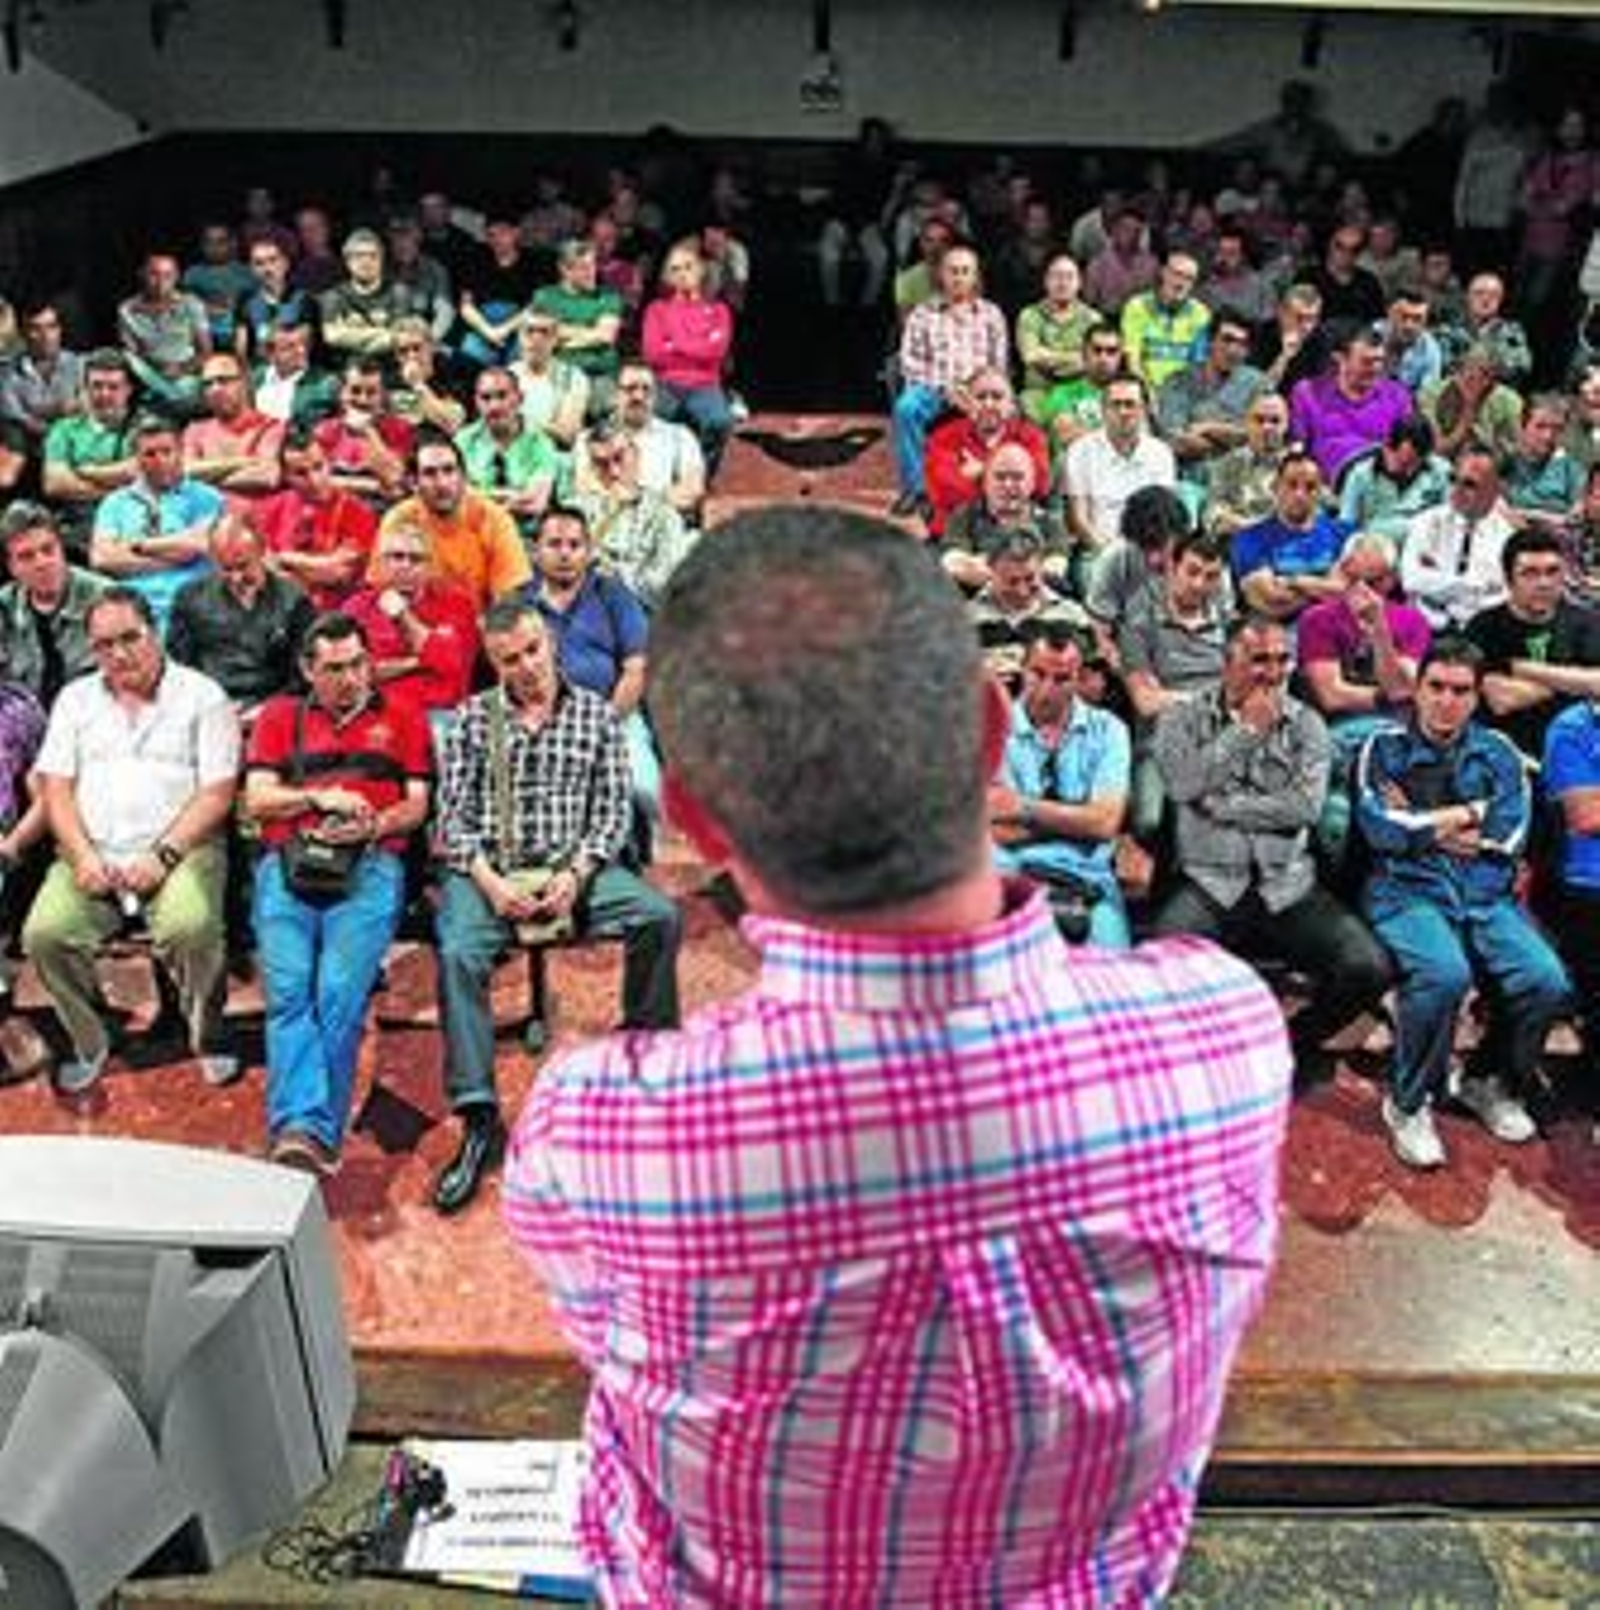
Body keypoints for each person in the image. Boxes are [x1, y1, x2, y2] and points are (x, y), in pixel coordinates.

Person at [502, 505, 1291, 1605]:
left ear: (696, 817)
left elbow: (609, 1350)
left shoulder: (598, 1127)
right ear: (988, 728)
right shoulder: (1225, 1030)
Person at [433, 598, 683, 1215]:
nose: (525, 667)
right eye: (508, 660)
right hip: (492, 871)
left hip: (572, 868)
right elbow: (452, 821)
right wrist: (492, 884)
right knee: (459, 952)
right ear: (493, 664)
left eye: (532, 651)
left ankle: (644, 1055)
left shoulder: (596, 715)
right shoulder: (472, 720)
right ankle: (479, 1116)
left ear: (550, 642)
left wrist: (577, 872)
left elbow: (611, 815)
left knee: (659, 916)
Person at [1355, 637, 1571, 1169]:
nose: (1446, 701)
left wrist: (1423, 823)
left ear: (1476, 697)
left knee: (1545, 979)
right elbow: (1381, 829)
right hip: (1405, 889)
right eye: (1436, 687)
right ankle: (1408, 1102)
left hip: (1485, 893)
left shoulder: (1499, 752)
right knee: (1444, 974)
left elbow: (1507, 835)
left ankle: (1486, 1080)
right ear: (1417, 689)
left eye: (1460, 691)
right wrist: (1470, 811)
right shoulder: (1381, 747)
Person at [1152, 613, 1393, 1076]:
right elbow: (1183, 784)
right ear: (1227, 661)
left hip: (1287, 885)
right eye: (1260, 659)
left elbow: (1303, 808)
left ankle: (1289, 1045)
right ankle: (1196, 1063)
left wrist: (1221, 806)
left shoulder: (1308, 725)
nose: (1275, 671)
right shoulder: (1181, 718)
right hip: (1210, 881)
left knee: (1368, 968)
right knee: (1161, 965)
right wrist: (1244, 734)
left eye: (1283, 660)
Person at [24, 588, 240, 1093]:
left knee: (190, 927)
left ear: (155, 632)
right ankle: (94, 1039)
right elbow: (56, 788)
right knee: (45, 934)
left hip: (182, 849)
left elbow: (217, 793)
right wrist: (82, 856)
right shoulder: (75, 699)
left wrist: (162, 856)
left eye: (130, 638)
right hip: (92, 850)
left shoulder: (203, 695)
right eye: (104, 645)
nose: (119, 654)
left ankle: (207, 1034)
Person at [242, 612, 432, 1176]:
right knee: (288, 991)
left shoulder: (404, 714)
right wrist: (319, 798)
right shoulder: (280, 716)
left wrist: (373, 825)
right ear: (309, 670)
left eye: (357, 665)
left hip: (371, 865)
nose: (349, 679)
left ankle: (305, 1129)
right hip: (290, 863)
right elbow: (257, 800)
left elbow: (417, 806)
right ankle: (306, 1129)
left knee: (339, 991)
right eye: (334, 669)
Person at [989, 624, 1131, 946]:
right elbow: (995, 831)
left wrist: (1021, 808)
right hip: (1010, 875)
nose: (1046, 689)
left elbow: (1105, 824)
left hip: (1088, 880)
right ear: (1022, 669)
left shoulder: (1110, 730)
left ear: (1080, 678)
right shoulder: (991, 725)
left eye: (1062, 679)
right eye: (1038, 674)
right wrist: (1078, 819)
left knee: (1113, 965)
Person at [892, 243, 1009, 515]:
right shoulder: (923, 313)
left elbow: (998, 363)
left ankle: (993, 485)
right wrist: (946, 390)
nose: (958, 277)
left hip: (979, 390)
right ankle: (917, 490)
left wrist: (976, 391)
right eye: (953, 271)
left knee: (1007, 409)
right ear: (941, 275)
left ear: (975, 277)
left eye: (965, 271)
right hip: (934, 389)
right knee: (906, 408)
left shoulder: (991, 314)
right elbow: (910, 362)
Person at [1466, 528, 1600, 763]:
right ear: (1508, 579)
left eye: (1552, 572)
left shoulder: (1586, 622)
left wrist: (1520, 669)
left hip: (1577, 750)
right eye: (1530, 573)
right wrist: (1577, 682)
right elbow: (1502, 699)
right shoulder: (1484, 627)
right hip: (1506, 753)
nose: (1543, 583)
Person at [89, 416, 225, 635]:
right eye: (150, 454)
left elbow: (194, 546)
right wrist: (174, 552)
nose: (160, 461)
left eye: (167, 452)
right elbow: (102, 559)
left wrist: (137, 547)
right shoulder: (114, 503)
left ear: (180, 452)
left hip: (194, 607)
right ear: (136, 459)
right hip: (133, 612)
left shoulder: (208, 497)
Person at [167, 516, 314, 712]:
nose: (236, 578)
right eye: (226, 569)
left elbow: (304, 677)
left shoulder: (294, 600)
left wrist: (265, 710)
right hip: (210, 706)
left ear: (262, 550)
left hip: (273, 708)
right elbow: (180, 669)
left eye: (243, 566)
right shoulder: (190, 598)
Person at [342, 521, 479, 728]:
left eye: (416, 559)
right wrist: (420, 661)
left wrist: (402, 616)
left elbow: (453, 664)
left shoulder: (459, 605)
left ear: (430, 567)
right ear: (379, 563)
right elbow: (354, 674)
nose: (405, 565)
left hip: (440, 716)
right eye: (397, 557)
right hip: (377, 716)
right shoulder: (356, 608)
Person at [377, 433, 531, 610]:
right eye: (430, 473)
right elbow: (381, 592)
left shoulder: (494, 519)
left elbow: (508, 602)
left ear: (464, 477)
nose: (442, 484)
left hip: (480, 623)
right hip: (412, 620)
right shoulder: (398, 520)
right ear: (413, 483)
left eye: (449, 470)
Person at [255, 425, 380, 611]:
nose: (314, 480)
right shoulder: (271, 509)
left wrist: (284, 559)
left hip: (336, 614)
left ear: (329, 463)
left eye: (318, 467)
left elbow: (337, 573)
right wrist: (320, 564)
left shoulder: (357, 512)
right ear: (285, 475)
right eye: (301, 473)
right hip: (282, 612)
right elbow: (261, 569)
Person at [640, 241, 736, 477]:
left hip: (705, 384)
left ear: (700, 270)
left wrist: (674, 345)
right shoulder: (657, 310)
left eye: (688, 266)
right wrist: (699, 345)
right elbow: (653, 354)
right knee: (648, 421)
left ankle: (700, 473)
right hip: (665, 383)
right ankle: (658, 476)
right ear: (667, 277)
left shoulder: (719, 311)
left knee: (720, 422)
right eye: (675, 269)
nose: (682, 274)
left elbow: (716, 354)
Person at [573, 423, 694, 609]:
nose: (614, 472)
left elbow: (666, 586)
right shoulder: (576, 511)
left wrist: (616, 574)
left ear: (636, 455)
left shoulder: (664, 516)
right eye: (601, 464)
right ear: (592, 468)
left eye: (619, 458)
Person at [921, 366, 1049, 540]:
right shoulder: (942, 437)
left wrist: (983, 470)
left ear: (1011, 404)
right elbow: (946, 494)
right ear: (968, 403)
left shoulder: (1031, 436)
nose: (988, 404)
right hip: (957, 534)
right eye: (981, 397)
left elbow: (1040, 484)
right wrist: (1012, 478)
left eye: (997, 397)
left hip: (1017, 535)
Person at [0, 502, 104, 708]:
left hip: (92, 716)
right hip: (25, 719)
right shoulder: (3, 606)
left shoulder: (106, 599)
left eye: (48, 550)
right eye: (26, 557)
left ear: (62, 549)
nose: (42, 563)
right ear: (12, 567)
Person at [1401, 445, 1517, 630]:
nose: (1456, 489)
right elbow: (1411, 580)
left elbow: (1505, 598)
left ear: (1497, 488)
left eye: (1470, 484)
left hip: (1480, 633)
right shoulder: (1426, 522)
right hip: (1424, 629)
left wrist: (1437, 580)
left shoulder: (1507, 537)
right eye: (1453, 479)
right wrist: (1473, 586)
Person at [1288, 321, 1413, 486]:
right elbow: (1297, 448)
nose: (1375, 368)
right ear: (1340, 358)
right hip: (1323, 489)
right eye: (1366, 362)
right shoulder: (1307, 393)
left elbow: (1408, 451)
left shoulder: (1397, 395)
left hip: (1381, 487)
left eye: (1379, 360)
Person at [1231, 450, 1349, 623]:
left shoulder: (1343, 533)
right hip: (1278, 634)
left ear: (1321, 491)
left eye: (1310, 487)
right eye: (1292, 485)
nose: (1300, 494)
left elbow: (1355, 592)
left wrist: (1294, 581)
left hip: (1336, 630)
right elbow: (1272, 602)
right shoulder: (1249, 539)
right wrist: (1328, 587)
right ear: (1275, 487)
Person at [454, 366, 559, 537]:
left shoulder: (541, 443)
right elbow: (455, 498)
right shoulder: (463, 441)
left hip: (525, 537)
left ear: (520, 398)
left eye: (502, 396)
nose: (494, 406)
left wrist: (480, 494)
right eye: (486, 398)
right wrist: (514, 496)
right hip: (472, 533)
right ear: (476, 402)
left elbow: (536, 504)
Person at [180, 351, 285, 503]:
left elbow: (266, 476)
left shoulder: (271, 426)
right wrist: (247, 462)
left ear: (245, 382)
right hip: (205, 513)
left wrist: (205, 477)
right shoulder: (195, 430)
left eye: (224, 380)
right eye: (208, 384)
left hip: (255, 513)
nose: (215, 389)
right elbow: (186, 472)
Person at [117, 251, 211, 415]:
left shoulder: (191, 304)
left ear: (176, 277)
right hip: (149, 373)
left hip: (186, 372)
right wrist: (157, 366)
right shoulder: (127, 309)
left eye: (168, 275)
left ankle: (166, 402)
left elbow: (206, 352)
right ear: (142, 275)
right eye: (154, 274)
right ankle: (174, 401)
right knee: (127, 358)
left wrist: (181, 369)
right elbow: (135, 354)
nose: (160, 282)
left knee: (186, 387)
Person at [1014, 252, 1103, 423]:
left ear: (1080, 282)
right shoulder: (1029, 315)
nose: (1063, 283)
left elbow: (1094, 361)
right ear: (1045, 281)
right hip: (1039, 393)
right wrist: (1076, 358)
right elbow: (1031, 356)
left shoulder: (1093, 319)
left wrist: (1048, 355)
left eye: (1069, 277)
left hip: (1080, 393)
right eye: (1056, 276)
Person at [1337, 414, 1451, 544]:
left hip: (1425, 543)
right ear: (1387, 448)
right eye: (1403, 463)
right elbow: (1345, 527)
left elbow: (1451, 519)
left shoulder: (1441, 471)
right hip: (1375, 544)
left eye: (1413, 463)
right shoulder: (1360, 475)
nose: (1408, 472)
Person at [1119, 250, 1212, 390]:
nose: (1181, 283)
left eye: (1189, 278)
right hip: (1144, 390)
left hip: (1183, 392)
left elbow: (1198, 365)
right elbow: (1133, 361)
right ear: (1163, 273)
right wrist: (1147, 393)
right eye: (1177, 274)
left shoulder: (1201, 314)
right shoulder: (1137, 307)